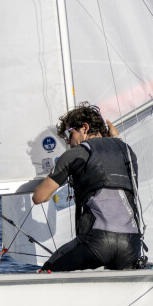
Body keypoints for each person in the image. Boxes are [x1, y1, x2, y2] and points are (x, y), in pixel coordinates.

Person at [32, 102, 142, 272]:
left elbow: (39, 197)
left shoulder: (75, 154)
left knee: (48, 272)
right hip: (131, 245)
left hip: (97, 242)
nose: (68, 141)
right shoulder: (128, 151)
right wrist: (115, 138)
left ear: (85, 127)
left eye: (69, 133)